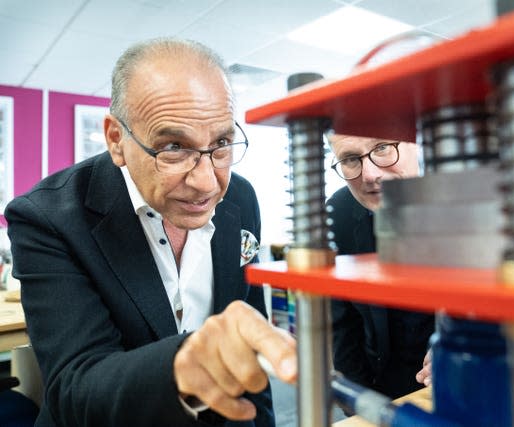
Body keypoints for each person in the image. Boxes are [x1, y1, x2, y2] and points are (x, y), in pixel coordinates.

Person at [4, 38, 296, 427]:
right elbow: (76, 389)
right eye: (174, 147)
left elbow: (250, 336)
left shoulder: (240, 197)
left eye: (222, 143)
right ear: (116, 140)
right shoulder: (47, 217)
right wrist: (182, 366)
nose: (207, 183)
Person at [326, 133, 435, 402]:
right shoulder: (338, 212)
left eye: (382, 148)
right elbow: (342, 325)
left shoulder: (476, 202)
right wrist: (357, 402)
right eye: (351, 159)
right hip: (383, 390)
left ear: (416, 141)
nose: (370, 175)